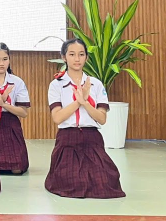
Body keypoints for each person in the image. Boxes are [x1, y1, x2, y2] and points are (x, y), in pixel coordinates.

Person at [44, 39, 125, 199]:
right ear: (64, 57)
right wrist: (78, 102)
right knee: (72, 182)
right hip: (67, 139)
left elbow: (102, 119)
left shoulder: (96, 84)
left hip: (92, 138)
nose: (77, 59)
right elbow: (57, 117)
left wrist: (85, 102)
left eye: (81, 54)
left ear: (86, 57)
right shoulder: (56, 85)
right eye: (72, 54)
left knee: (106, 182)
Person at [0, 42, 30, 174]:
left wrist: (4, 105)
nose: (1, 63)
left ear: (9, 60)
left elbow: (24, 113)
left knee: (17, 169)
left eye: (5, 59)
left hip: (11, 126)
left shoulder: (17, 82)